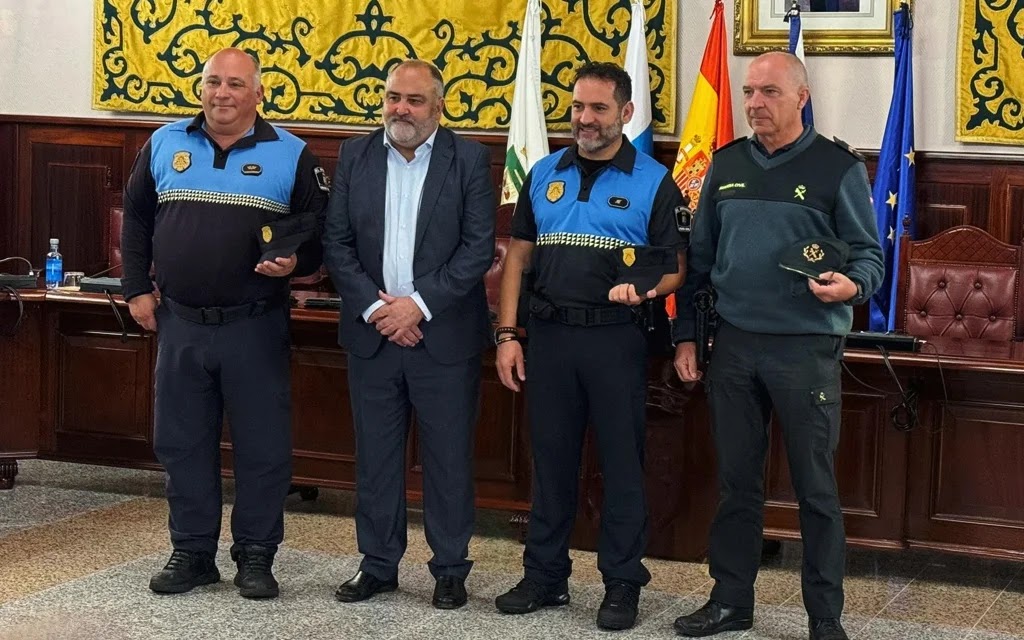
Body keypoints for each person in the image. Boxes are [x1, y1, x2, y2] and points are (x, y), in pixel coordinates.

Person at [671, 52, 884, 640]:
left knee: (816, 488)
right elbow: (702, 264)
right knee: (737, 483)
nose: (754, 103)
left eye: (768, 91)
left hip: (805, 348)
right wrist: (687, 335)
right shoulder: (727, 164)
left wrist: (852, 284)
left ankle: (824, 617)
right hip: (735, 345)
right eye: (747, 92)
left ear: (800, 97)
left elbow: (869, 257)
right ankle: (731, 602)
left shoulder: (836, 167)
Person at [121, 47, 329, 599]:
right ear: (201, 88)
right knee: (182, 442)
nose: (223, 94)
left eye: (236, 84)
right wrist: (136, 288)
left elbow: (317, 241)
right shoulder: (164, 143)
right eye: (213, 81)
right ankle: (191, 552)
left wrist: (296, 263)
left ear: (258, 94)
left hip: (254, 325)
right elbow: (137, 217)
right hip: (180, 323)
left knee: (262, 446)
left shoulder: (293, 154)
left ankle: (256, 556)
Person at [493, 61, 687, 631]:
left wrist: (646, 288)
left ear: (625, 114)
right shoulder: (543, 172)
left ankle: (623, 583)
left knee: (623, 465)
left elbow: (676, 269)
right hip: (549, 337)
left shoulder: (653, 179)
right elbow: (518, 261)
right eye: (577, 107)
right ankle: (545, 577)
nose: (584, 118)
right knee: (549, 461)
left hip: (615, 340)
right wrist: (508, 334)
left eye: (598, 108)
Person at [322, 60, 496, 610]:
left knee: (447, 459)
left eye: (414, 100)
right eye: (393, 97)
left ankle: (449, 569)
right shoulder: (355, 154)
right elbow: (337, 243)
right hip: (374, 335)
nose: (401, 109)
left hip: (441, 338)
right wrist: (379, 309)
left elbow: (477, 248)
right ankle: (377, 565)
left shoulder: (468, 158)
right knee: (375, 458)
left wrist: (416, 308)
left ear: (438, 106)